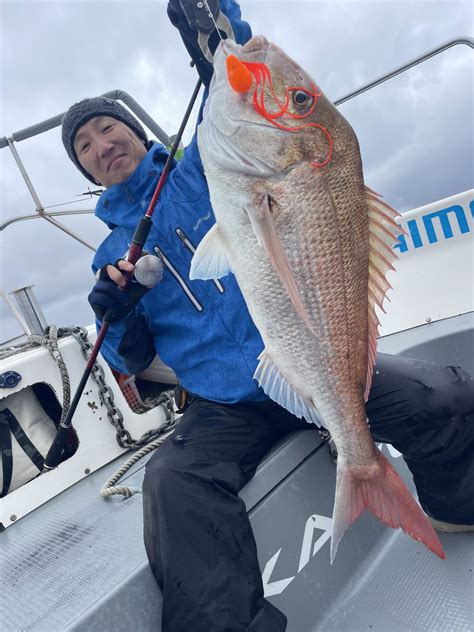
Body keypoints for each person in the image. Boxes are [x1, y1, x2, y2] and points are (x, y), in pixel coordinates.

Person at [61, 1, 474, 630]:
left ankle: (454, 504)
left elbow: (242, 96)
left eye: (105, 129)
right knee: (173, 485)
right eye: (84, 147)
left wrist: (223, 32)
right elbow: (130, 358)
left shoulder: (209, 164)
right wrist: (113, 313)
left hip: (315, 365)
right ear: (86, 170)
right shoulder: (113, 255)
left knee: (445, 395)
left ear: (136, 133)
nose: (100, 145)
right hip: (223, 404)